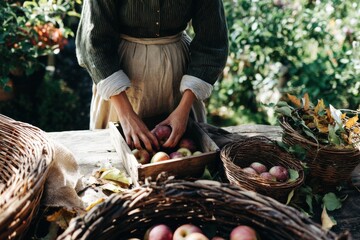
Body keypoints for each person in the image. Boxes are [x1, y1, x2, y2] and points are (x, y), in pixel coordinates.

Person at [75, 1, 228, 152]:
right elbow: (94, 43)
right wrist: (126, 115)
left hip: (177, 75)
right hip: (118, 78)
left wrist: (184, 109)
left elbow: (212, 44)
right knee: (115, 161)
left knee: (185, 163)